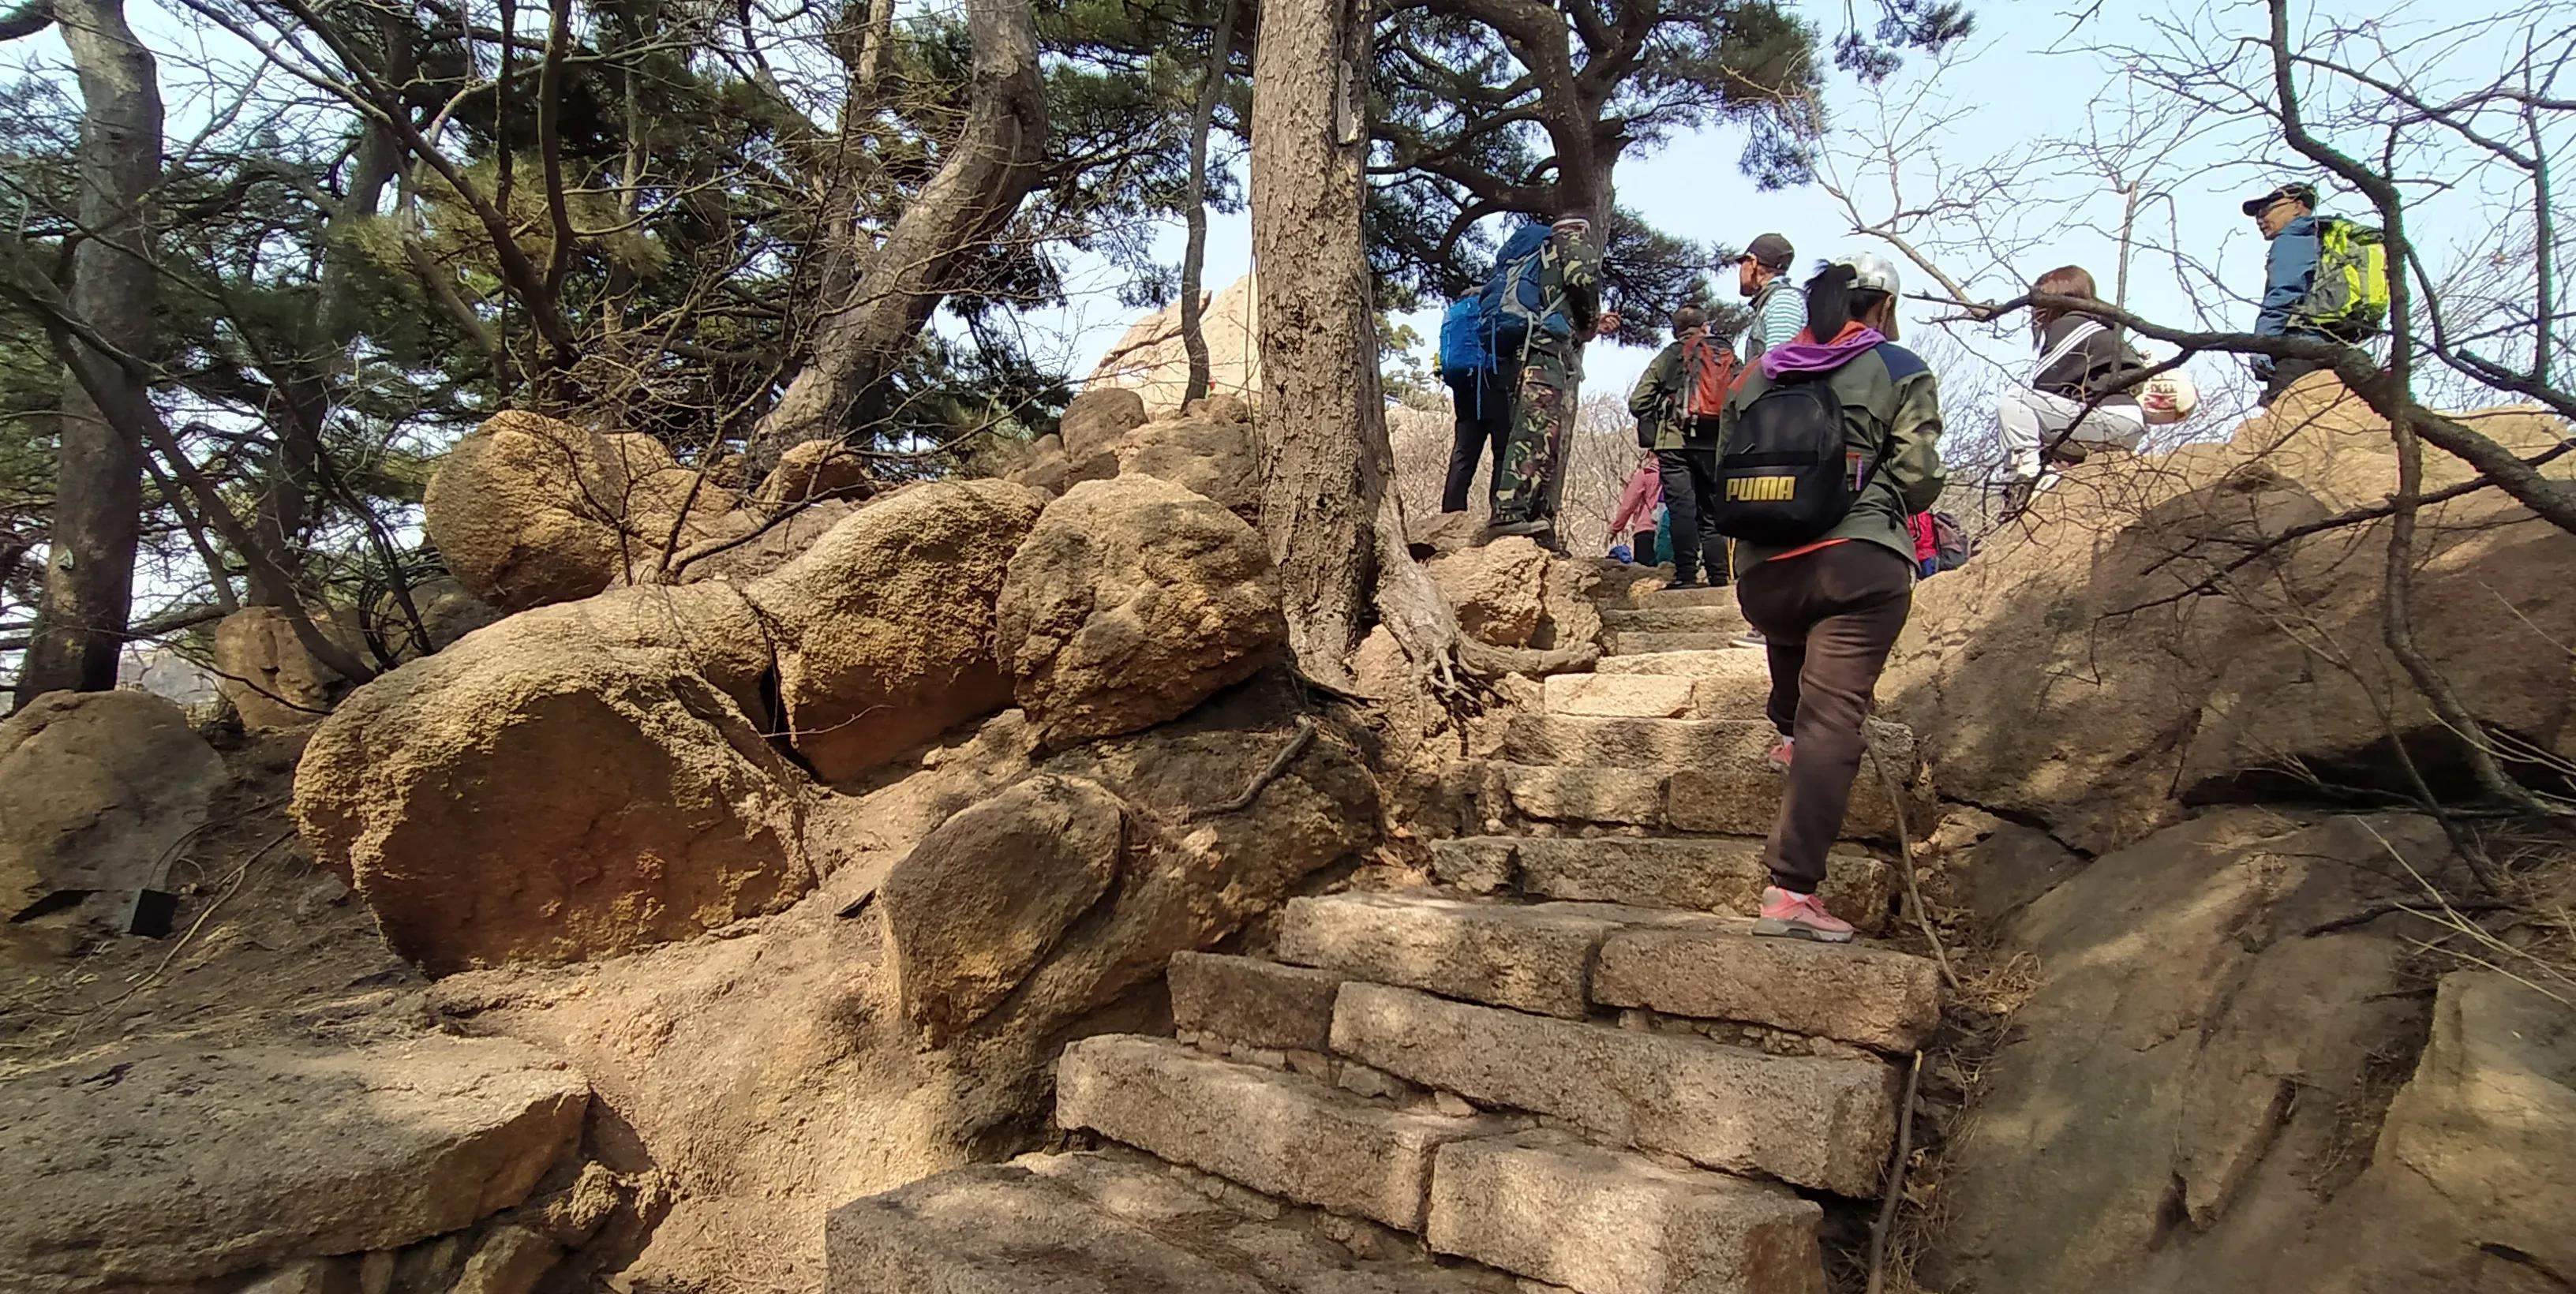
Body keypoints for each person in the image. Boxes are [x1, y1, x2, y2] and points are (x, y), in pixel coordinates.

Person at [1718, 252, 1948, 942]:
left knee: (1799, 670)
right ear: (1879, 306)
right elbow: (1918, 475)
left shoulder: (1756, 372)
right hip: (1855, 565)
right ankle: (1791, 889)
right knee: (1834, 724)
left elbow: (1724, 466)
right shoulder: (1898, 367)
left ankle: (1788, 733)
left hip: (1764, 574)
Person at [1487, 215, 1618, 549]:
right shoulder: (1572, 244)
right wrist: (1588, 327)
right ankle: (1511, 513)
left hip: (1521, 349)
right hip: (1546, 351)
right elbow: (1583, 282)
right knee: (1537, 431)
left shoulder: (1534, 253)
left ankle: (1526, 515)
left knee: (1527, 428)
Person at [1996, 264, 2150, 518]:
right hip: (2123, 425)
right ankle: (2048, 474)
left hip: (2109, 420)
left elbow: (2047, 387)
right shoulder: (2104, 327)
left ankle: (2027, 477)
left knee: (2016, 401)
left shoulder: (2071, 325)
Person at [1626, 305, 1733, 588]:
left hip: (1674, 443)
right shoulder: (1723, 355)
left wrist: (1664, 406)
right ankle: (1719, 576)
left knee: (1681, 510)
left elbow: (1637, 401)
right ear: (1705, 326)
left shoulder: (1670, 356)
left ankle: (1686, 574)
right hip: (1713, 443)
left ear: (1675, 330)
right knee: (1711, 511)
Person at [2243, 180, 2353, 406]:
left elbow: (2283, 294)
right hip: (2339, 348)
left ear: (2298, 205)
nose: (2260, 219)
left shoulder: (2293, 237)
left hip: (2301, 348)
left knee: (2282, 423)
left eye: (2266, 209)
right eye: (2256, 215)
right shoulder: (2322, 239)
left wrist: (2262, 345)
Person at [1435, 297, 1513, 513]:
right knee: (1502, 452)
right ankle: (1500, 511)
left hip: (1465, 388)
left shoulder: (1457, 313)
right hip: (1495, 384)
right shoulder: (1496, 305)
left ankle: (1451, 512)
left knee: (1464, 455)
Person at [1735, 233, 1804, 362]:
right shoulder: (1774, 301)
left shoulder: (1782, 301)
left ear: (1752, 263)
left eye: (1742, 263)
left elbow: (1781, 365)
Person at [1608, 453, 1663, 563]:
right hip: (1671, 532)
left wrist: (1614, 529)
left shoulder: (1646, 474)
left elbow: (1628, 506)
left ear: (1650, 453)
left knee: (1645, 575)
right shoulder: (1679, 475)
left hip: (1647, 529)